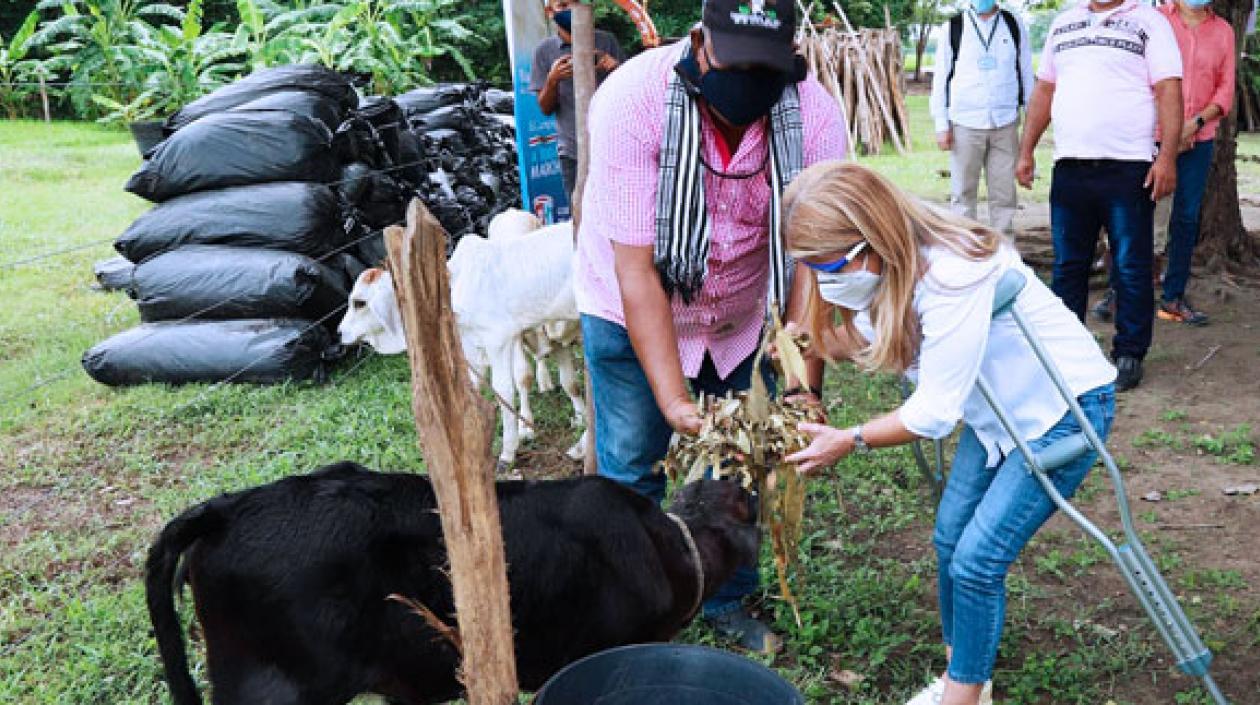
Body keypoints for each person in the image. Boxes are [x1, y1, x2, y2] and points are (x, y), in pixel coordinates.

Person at [779, 161, 1117, 705]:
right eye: (810, 269)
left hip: (1062, 413)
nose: (824, 281)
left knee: (978, 560)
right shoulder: (892, 265)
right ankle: (965, 671)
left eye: (831, 265)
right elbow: (867, 338)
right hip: (999, 422)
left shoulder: (952, 273)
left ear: (872, 237)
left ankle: (962, 696)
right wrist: (804, 342)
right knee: (949, 538)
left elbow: (934, 414)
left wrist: (848, 437)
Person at [575, 0, 847, 652]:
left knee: (732, 472)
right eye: (734, 60)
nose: (748, 79)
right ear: (699, 42)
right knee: (633, 469)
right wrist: (672, 397)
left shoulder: (814, 117)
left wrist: (803, 382)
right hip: (628, 308)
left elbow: (811, 259)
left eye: (765, 66)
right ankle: (634, 615)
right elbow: (637, 270)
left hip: (734, 316)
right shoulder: (632, 101)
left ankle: (726, 600)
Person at [1016, 0, 1183, 392]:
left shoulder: (1150, 23)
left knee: (1129, 265)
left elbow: (1168, 90)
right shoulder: (1064, 23)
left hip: (1128, 167)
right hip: (1070, 166)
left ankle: (1129, 352)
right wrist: (1026, 150)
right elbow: (1044, 90)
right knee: (1068, 266)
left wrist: (1169, 157)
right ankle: (1067, 353)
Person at [1153, 0, 1235, 325]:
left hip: (1198, 139)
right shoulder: (1155, 21)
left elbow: (1225, 89)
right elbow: (1143, 79)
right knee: (1139, 212)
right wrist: (1173, 128)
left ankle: (1173, 296)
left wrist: (1193, 124)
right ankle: (1122, 292)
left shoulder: (1223, 31)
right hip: (1153, 135)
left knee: (1185, 218)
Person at [928, 0, 1033, 236]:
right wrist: (941, 125)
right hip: (965, 123)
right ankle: (965, 250)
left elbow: (1026, 72)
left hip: (1005, 122)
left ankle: (1004, 251)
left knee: (1004, 193)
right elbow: (941, 79)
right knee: (963, 193)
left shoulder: (1012, 24)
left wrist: (1031, 117)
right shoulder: (954, 27)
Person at [529, 0, 625, 199]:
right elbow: (545, 109)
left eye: (575, 3)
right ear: (549, 12)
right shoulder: (544, 51)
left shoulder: (606, 41)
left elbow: (630, 93)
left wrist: (616, 69)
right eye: (562, 6)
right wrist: (553, 80)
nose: (571, 11)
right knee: (580, 209)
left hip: (612, 143)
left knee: (616, 205)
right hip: (572, 150)